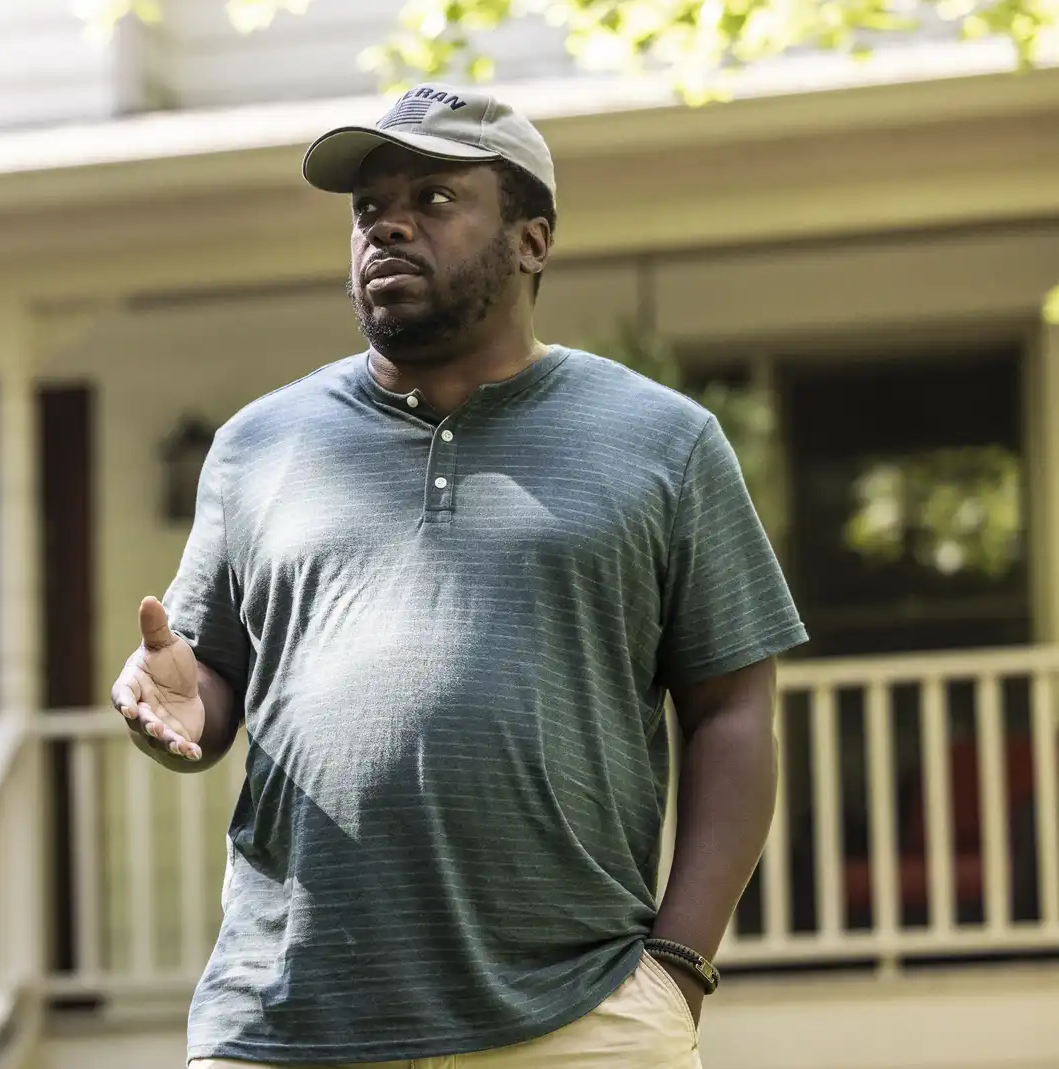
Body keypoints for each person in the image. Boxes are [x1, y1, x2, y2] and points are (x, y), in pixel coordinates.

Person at [110, 84, 805, 1069]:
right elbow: (207, 684)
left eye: (434, 198)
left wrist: (678, 967)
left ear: (531, 239)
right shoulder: (258, 446)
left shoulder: (659, 441)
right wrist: (183, 709)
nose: (386, 224)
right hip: (284, 1020)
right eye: (365, 209)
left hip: (578, 1018)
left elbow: (732, 710)